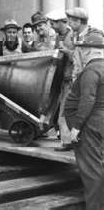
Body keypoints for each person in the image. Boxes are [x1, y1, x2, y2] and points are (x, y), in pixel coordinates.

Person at [64, 32, 104, 210]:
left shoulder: (91, 70)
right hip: (100, 122)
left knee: (91, 171)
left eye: (81, 49)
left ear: (88, 50)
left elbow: (88, 99)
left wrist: (76, 128)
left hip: (90, 125)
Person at [46, 10, 74, 151]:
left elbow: (79, 59)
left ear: (60, 22)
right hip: (63, 80)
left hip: (72, 81)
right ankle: (68, 141)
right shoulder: (58, 36)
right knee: (63, 112)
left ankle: (68, 142)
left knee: (65, 112)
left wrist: (67, 52)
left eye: (53, 23)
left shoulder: (72, 36)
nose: (51, 25)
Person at [66, 7, 103, 80]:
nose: (69, 24)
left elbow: (91, 62)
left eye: (70, 21)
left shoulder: (92, 37)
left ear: (78, 21)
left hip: (89, 79)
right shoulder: (76, 36)